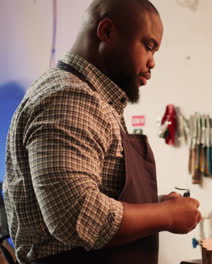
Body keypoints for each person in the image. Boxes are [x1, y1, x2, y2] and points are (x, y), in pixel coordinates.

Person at [3, 0, 201, 263]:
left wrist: (156, 205)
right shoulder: (70, 98)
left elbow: (95, 193)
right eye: (148, 46)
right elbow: (75, 216)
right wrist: (167, 215)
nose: (152, 63)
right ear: (107, 32)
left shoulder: (95, 100)